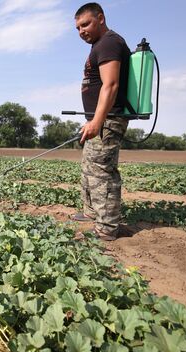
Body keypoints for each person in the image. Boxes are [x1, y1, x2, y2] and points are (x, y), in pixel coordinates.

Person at [73, 2, 131, 241]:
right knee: (89, 167)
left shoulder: (108, 42)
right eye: (77, 28)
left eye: (85, 24)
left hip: (107, 120)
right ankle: (91, 212)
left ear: (100, 18)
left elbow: (111, 85)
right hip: (97, 120)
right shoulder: (100, 45)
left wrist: (97, 121)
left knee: (101, 172)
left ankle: (107, 228)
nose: (81, 31)